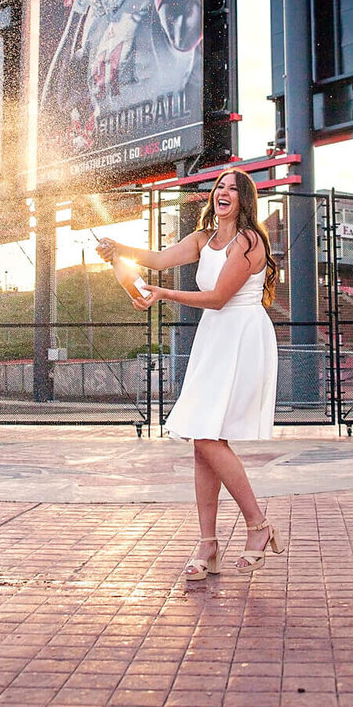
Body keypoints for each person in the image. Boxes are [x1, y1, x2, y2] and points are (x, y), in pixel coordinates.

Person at [96, 167, 284, 580]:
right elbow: (160, 259)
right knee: (202, 438)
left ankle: (257, 524)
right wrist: (118, 250)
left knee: (206, 436)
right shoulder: (204, 238)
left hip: (241, 334)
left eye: (234, 189)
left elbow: (218, 298)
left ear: (244, 200)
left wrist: (161, 293)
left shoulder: (249, 241)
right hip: (214, 337)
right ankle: (208, 544)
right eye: (220, 186)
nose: (224, 192)